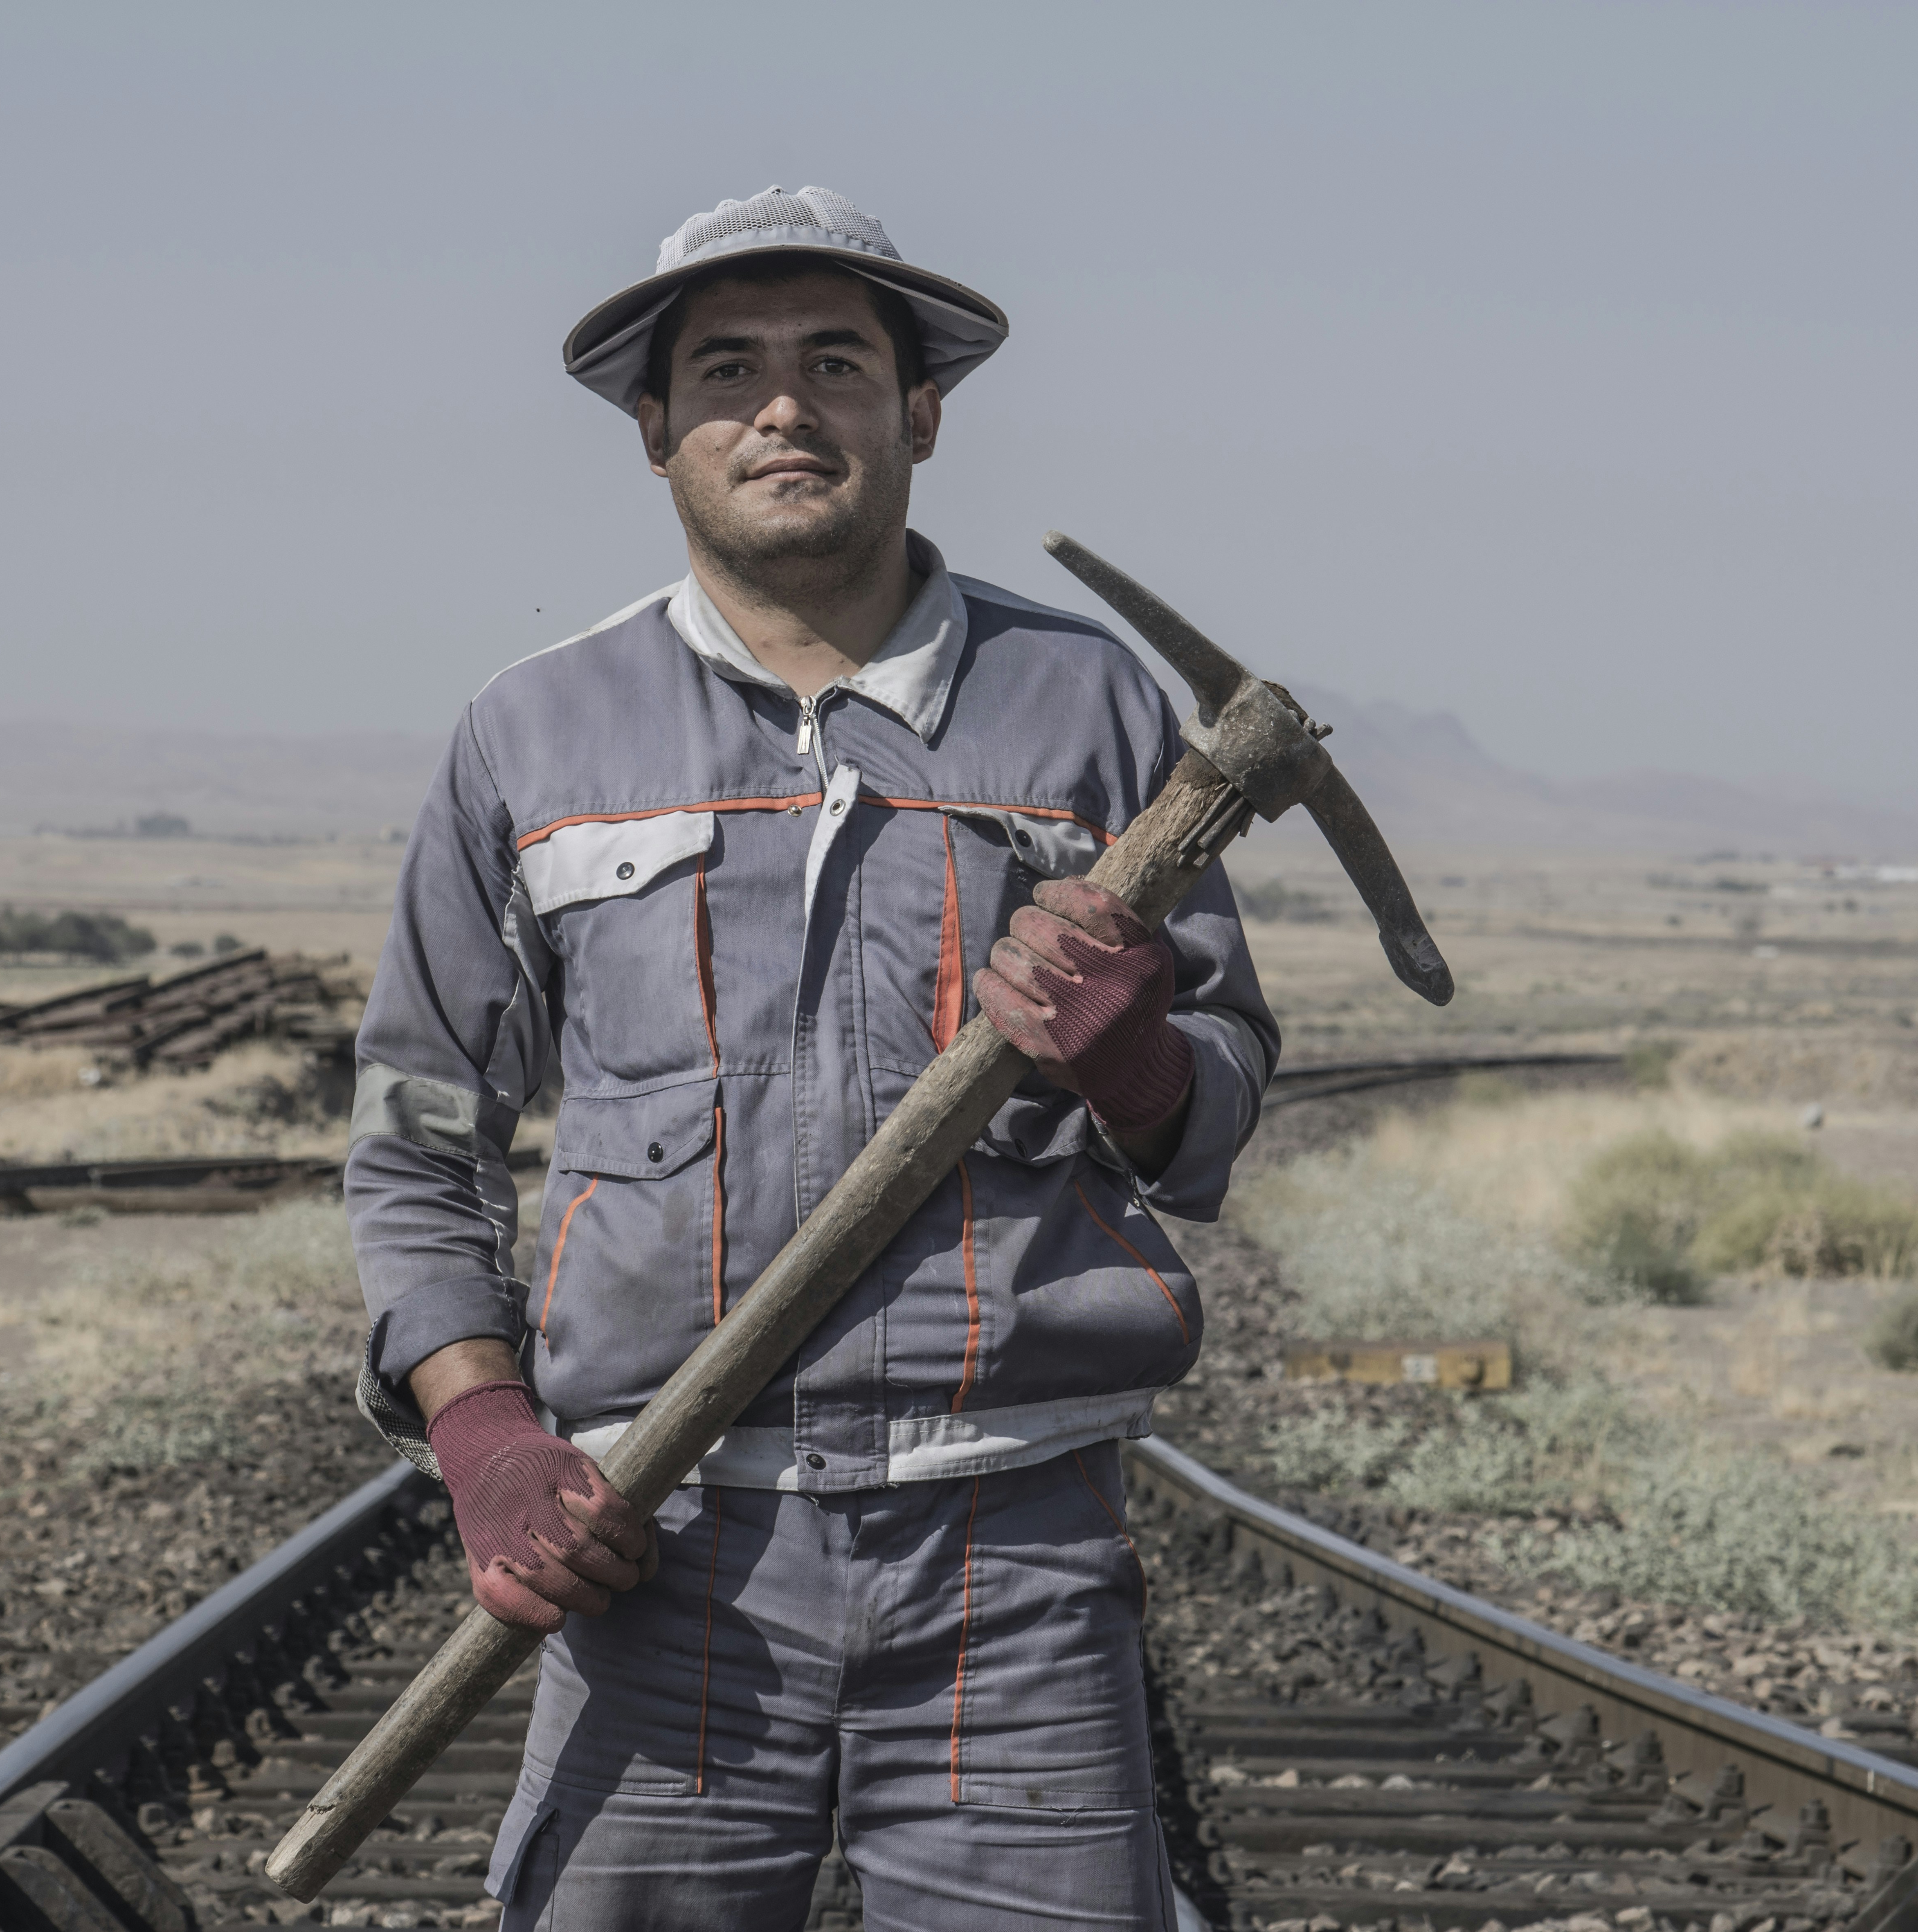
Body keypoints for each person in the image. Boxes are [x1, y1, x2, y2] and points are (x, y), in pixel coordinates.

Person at [346, 185, 1277, 1930]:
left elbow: (1220, 1090)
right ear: (654, 430)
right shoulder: (531, 731)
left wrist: (1137, 1059)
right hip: (661, 1549)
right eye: (728, 369)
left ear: (918, 413)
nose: (784, 405)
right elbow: (416, 1134)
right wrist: (481, 1429)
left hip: (1014, 1554)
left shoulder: (1090, 705)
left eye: (836, 360)